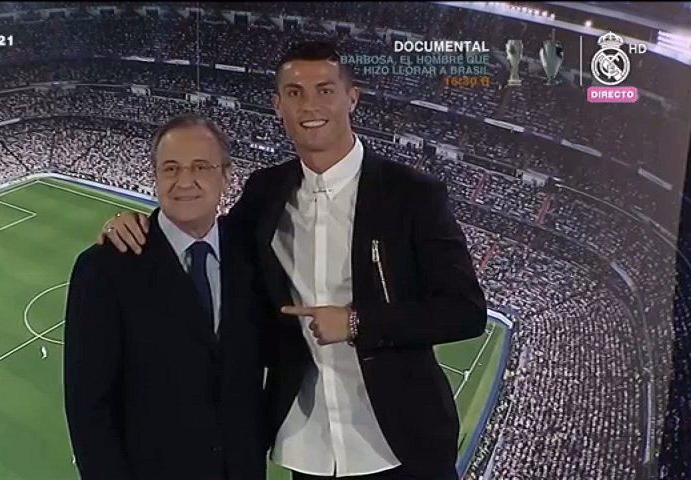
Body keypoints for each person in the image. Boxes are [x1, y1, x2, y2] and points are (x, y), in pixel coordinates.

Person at [97, 41, 487, 480]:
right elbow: (207, 236)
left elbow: (465, 312)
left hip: (400, 442)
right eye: (295, 93)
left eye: (325, 90)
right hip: (308, 444)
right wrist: (138, 225)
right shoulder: (265, 191)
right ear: (277, 105)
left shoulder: (413, 194)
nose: (310, 106)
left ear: (351, 98)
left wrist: (357, 322)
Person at [64, 114, 268, 480]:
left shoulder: (250, 252)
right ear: (155, 176)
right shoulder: (104, 268)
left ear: (227, 175)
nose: (185, 181)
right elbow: (88, 409)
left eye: (201, 167)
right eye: (170, 168)